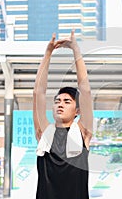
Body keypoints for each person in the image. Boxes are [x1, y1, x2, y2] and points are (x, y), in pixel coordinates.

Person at [33, 30, 93, 199]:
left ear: (78, 111)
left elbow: (86, 91)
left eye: (67, 102)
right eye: (58, 101)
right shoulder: (43, 133)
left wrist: (76, 50)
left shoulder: (83, 132)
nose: (60, 104)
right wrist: (48, 53)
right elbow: (38, 93)